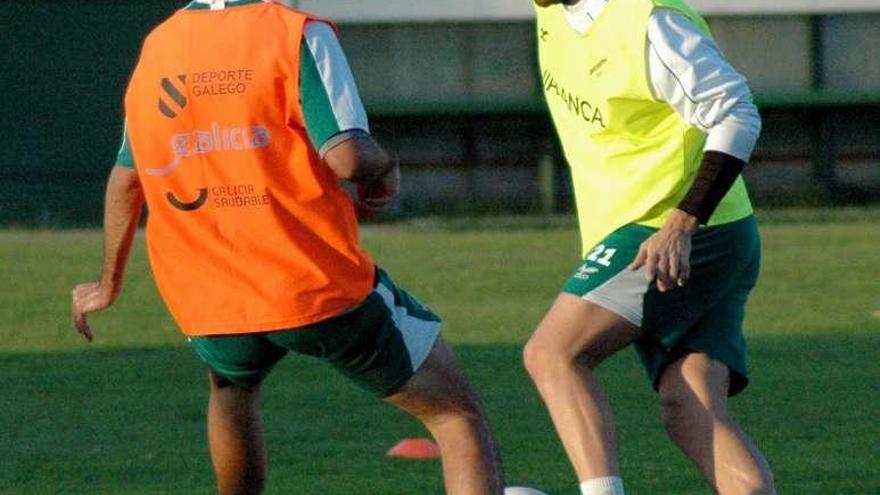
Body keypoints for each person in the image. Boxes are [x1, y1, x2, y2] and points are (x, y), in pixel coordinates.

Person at [70, 1, 504, 493]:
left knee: (232, 387)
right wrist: (386, 165)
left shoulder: (159, 45)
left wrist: (108, 284)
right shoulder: (295, 34)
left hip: (208, 293)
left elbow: (127, 179)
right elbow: (348, 157)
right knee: (455, 413)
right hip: (308, 282)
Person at [523, 0, 776, 494]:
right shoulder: (552, 11)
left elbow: (736, 111)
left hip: (674, 231)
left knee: (552, 354)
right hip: (700, 233)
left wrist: (682, 221)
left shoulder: (653, 21)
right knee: (690, 410)